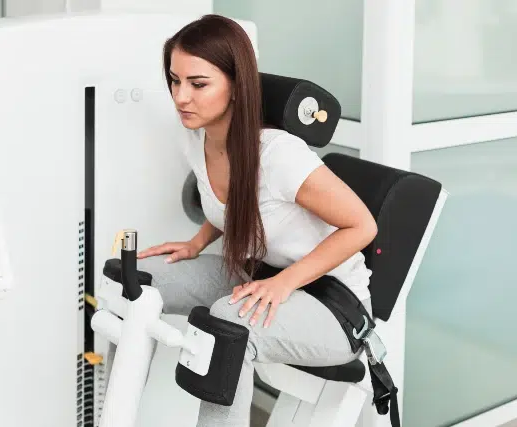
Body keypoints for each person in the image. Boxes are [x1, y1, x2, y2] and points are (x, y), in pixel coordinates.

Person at [110, 14, 378, 427]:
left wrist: (285, 282)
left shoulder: (279, 154)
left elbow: (362, 226)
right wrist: (197, 242)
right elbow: (236, 204)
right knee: (130, 279)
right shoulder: (196, 137)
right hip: (256, 276)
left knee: (226, 326)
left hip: (331, 304)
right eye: (174, 80)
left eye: (198, 84)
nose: (181, 97)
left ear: (236, 85)